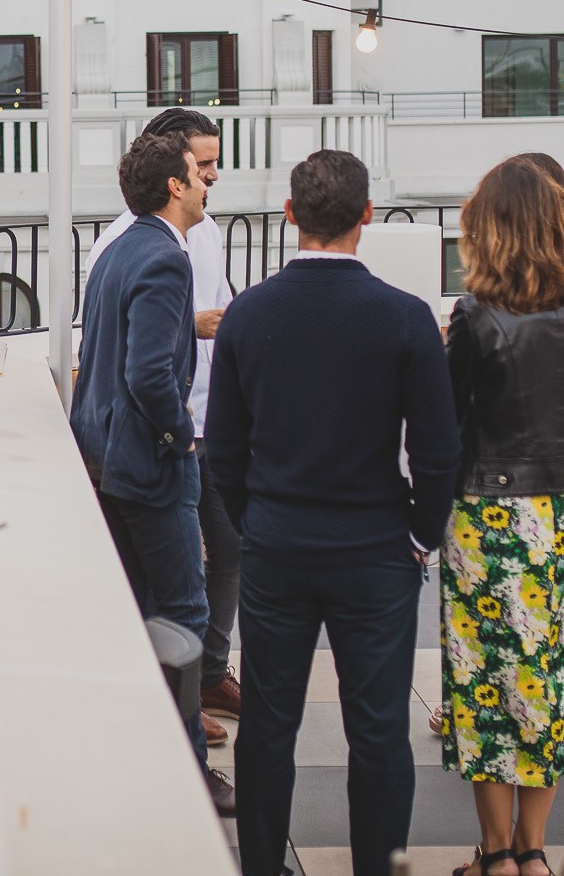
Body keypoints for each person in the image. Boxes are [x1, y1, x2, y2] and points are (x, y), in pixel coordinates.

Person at [206, 148, 460, 876]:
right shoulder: (407, 319)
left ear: (290, 216)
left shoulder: (247, 315)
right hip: (377, 547)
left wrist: (257, 520)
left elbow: (223, 449)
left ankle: (262, 866)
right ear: (367, 217)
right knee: (379, 733)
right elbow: (438, 450)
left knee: (269, 726)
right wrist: (420, 535)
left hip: (278, 546)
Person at [440, 157, 564, 876]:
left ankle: (496, 851)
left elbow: (449, 425)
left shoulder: (475, 315)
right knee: (550, 668)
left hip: (485, 513)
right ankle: (536, 850)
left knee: (482, 680)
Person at [69, 130, 231, 811]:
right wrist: (181, 435)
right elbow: (146, 371)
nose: (206, 182)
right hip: (148, 464)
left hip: (106, 458)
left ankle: (140, 749)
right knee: (184, 615)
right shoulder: (167, 256)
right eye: (200, 171)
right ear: (175, 184)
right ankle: (185, 769)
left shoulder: (123, 246)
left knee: (138, 611)